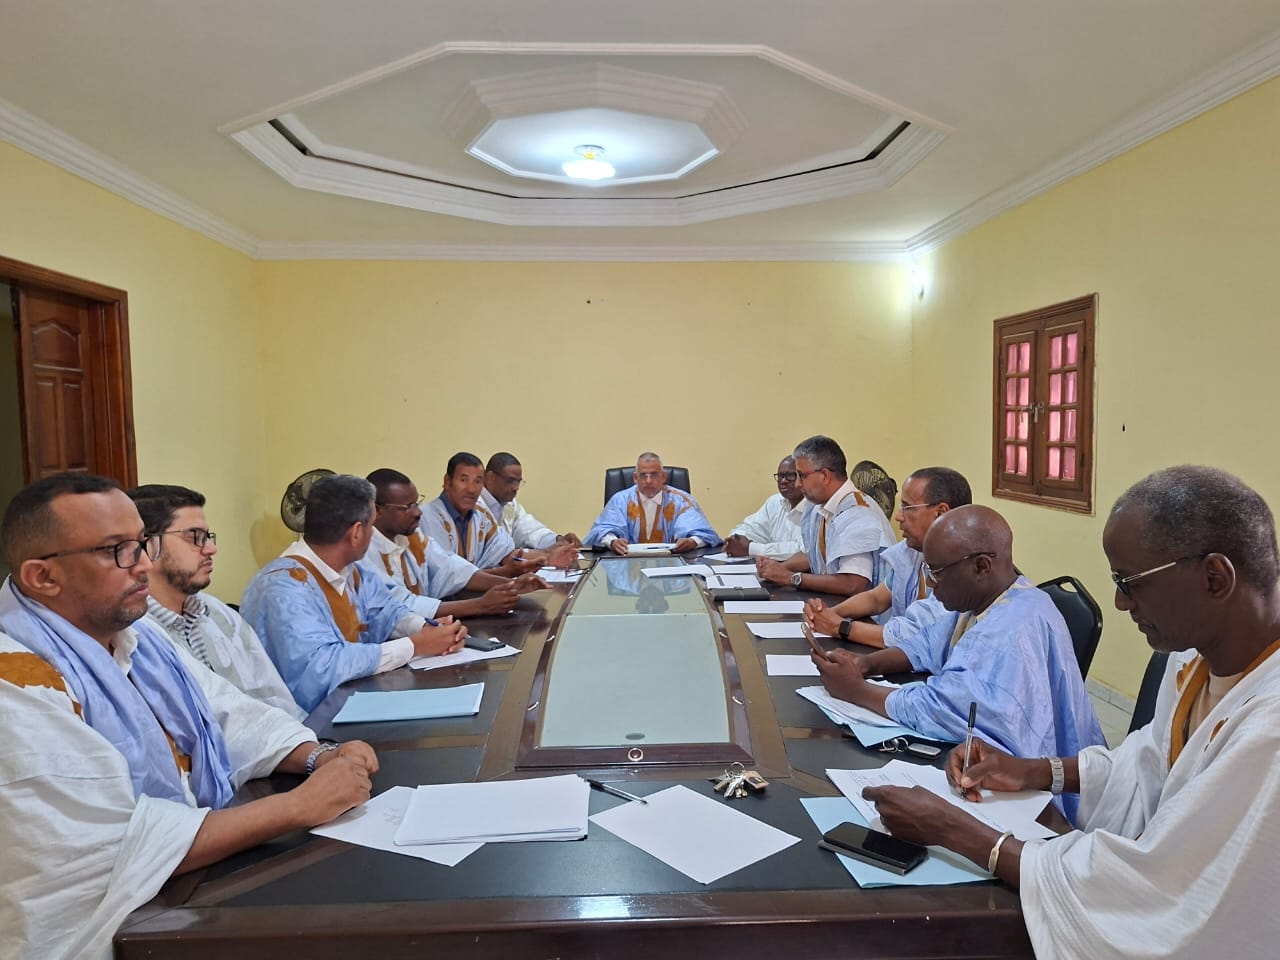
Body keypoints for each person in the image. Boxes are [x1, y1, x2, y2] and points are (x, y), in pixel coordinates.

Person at [863, 466, 1280, 959]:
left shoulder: (1268, 731)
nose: (1120, 602)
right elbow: (1145, 764)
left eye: (1129, 582)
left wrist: (956, 831)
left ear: (1215, 578)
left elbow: (1162, 895)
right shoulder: (1193, 660)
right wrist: (1030, 770)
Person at [0, 473, 376, 960]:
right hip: (103, 934)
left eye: (141, 543)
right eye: (117, 550)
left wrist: (317, 756)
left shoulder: (140, 636)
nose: (143, 563)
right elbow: (112, 848)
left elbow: (225, 710)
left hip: (187, 892)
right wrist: (298, 807)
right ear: (43, 577)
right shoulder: (16, 681)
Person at [812, 503, 1104, 813]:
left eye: (936, 572)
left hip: (1036, 798)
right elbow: (925, 644)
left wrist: (855, 690)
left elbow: (945, 707)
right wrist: (866, 664)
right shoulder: (985, 600)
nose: (930, 583)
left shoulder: (1013, 626)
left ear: (981, 567)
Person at [240, 474, 467, 712]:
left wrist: (429, 629)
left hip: (353, 704)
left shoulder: (353, 572)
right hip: (304, 723)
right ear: (357, 532)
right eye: (372, 525)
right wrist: (413, 645)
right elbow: (322, 668)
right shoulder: (281, 589)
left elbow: (386, 611)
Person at [128, 483, 304, 719]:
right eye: (195, 537)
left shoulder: (218, 613)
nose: (211, 549)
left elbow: (274, 695)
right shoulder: (133, 635)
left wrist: (309, 738)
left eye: (208, 537)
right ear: (149, 545)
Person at [804, 467, 970, 648]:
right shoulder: (911, 552)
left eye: (907, 507)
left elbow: (916, 635)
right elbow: (876, 598)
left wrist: (840, 627)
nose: (898, 517)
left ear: (941, 512)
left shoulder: (965, 570)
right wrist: (829, 614)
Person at [365, 467, 547, 620]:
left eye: (416, 503)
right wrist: (480, 605)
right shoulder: (365, 552)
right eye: (407, 507)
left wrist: (510, 585)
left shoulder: (410, 536)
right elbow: (400, 606)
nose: (417, 512)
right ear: (377, 510)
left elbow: (451, 568)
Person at [756, 436, 896, 596]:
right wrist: (778, 569)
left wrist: (791, 578)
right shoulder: (817, 506)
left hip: (863, 610)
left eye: (801, 476)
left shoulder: (858, 514)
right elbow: (812, 555)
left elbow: (852, 583)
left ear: (825, 475)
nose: (797, 484)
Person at [420, 452, 544, 575]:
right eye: (464, 480)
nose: (471, 489)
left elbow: (505, 552)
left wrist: (547, 557)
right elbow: (448, 576)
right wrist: (505, 573)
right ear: (447, 481)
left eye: (477, 481)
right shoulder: (428, 517)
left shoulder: (481, 514)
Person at [583, 452, 722, 555]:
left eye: (654, 475)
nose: (648, 481)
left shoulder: (681, 500)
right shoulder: (620, 500)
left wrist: (693, 542)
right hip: (627, 567)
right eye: (643, 475)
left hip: (672, 567)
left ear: (663, 476)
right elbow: (601, 531)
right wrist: (613, 542)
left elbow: (704, 534)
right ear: (635, 478)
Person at [481, 452, 580, 561]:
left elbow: (530, 531)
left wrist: (558, 541)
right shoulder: (475, 505)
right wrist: (546, 554)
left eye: (518, 482)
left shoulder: (510, 505)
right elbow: (498, 552)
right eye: (510, 481)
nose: (516, 488)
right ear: (490, 477)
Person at [724, 456, 811, 560]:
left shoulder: (815, 507)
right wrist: (736, 540)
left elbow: (804, 549)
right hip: (771, 567)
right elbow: (750, 528)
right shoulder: (774, 502)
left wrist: (752, 548)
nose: (783, 481)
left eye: (791, 476)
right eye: (780, 476)